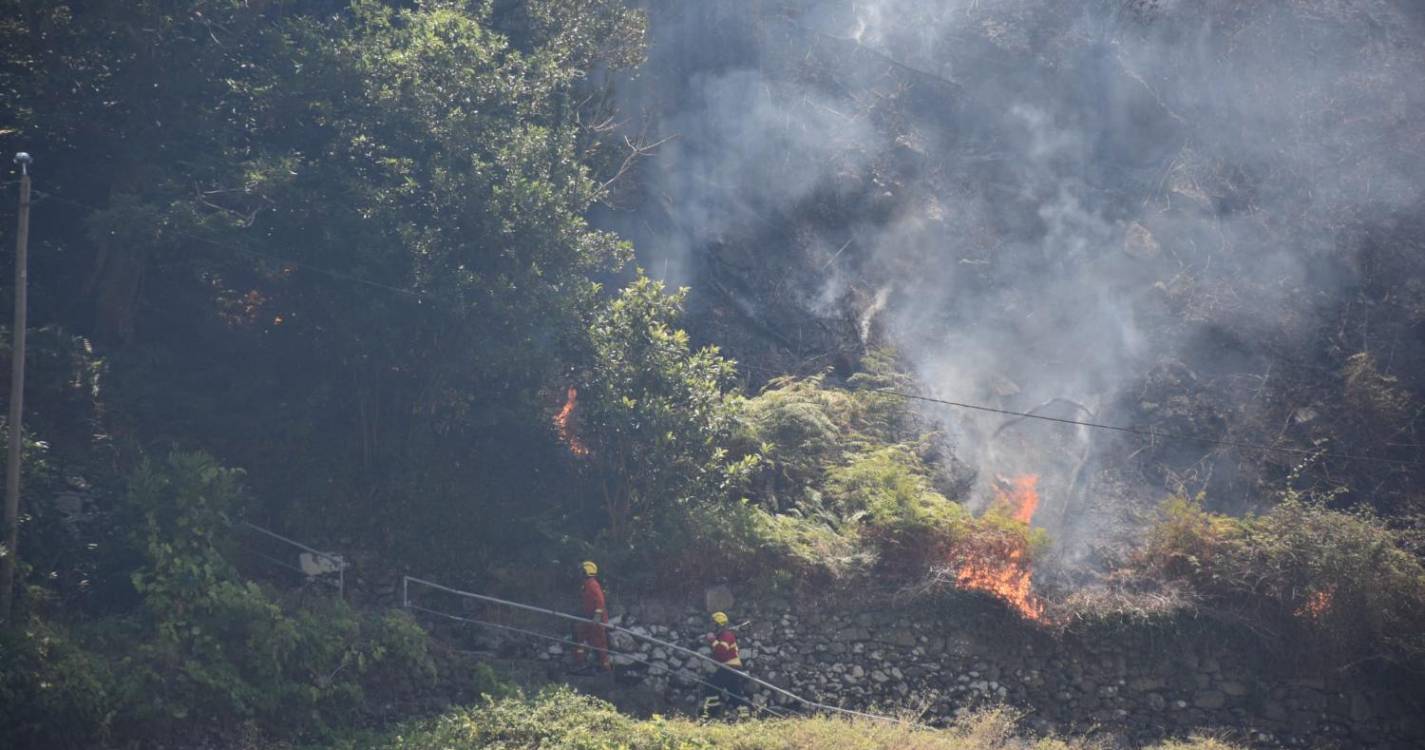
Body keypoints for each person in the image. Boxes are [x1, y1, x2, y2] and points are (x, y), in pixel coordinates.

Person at [701, 611, 748, 719]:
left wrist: (712, 640)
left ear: (718, 624)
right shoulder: (723, 636)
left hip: (729, 667)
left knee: (711, 687)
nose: (711, 626)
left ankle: (711, 714)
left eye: (713, 624)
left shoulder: (726, 635)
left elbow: (721, 651)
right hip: (732, 667)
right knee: (735, 694)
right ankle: (745, 716)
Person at [571, 560, 611, 673]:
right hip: (589, 619)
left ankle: (606, 669)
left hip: (597, 621)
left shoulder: (592, 584)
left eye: (581, 571)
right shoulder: (586, 584)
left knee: (600, 644)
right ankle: (580, 663)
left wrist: (597, 616)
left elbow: (600, 601)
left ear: (586, 572)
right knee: (580, 638)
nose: (579, 573)